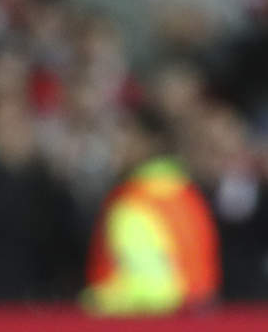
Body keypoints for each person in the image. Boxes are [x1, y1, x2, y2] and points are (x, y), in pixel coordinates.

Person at [82, 105, 220, 314]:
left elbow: (155, 289)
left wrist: (96, 301)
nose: (116, 145)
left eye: (125, 135)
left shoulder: (135, 202)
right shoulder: (188, 195)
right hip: (199, 317)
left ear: (148, 142)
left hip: (150, 324)